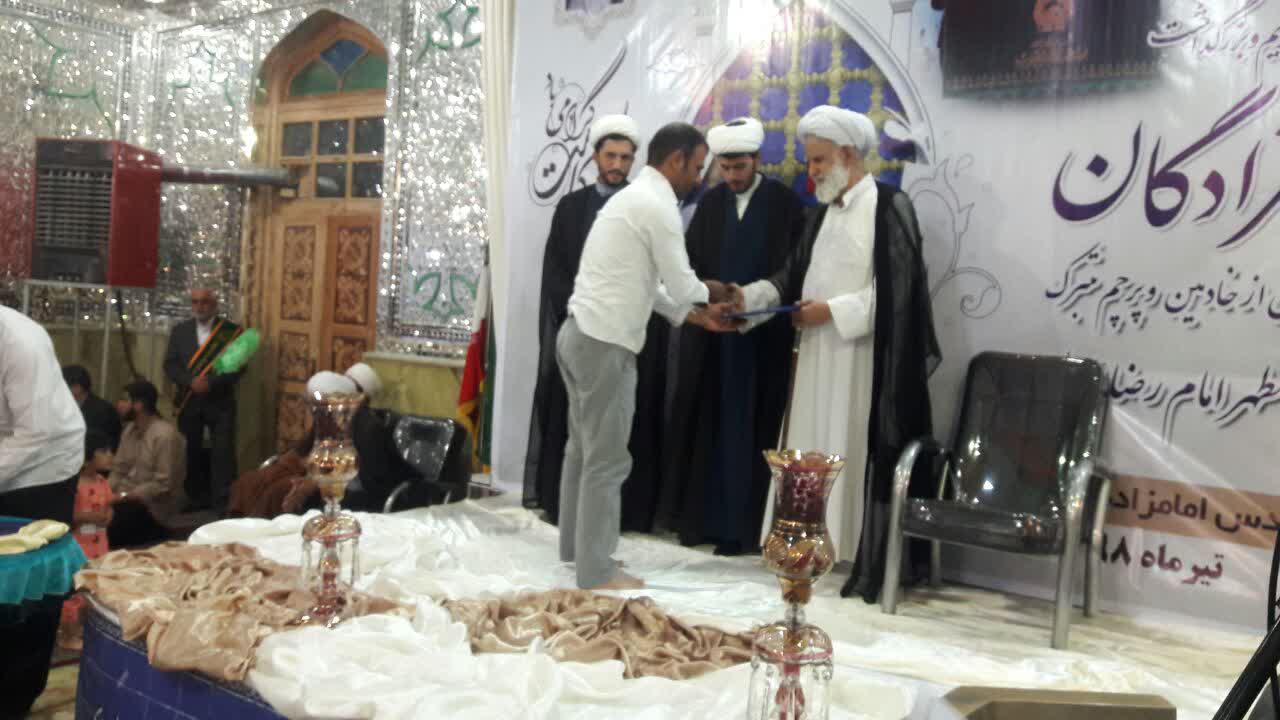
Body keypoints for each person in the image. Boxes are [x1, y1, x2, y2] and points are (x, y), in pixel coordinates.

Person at [732, 105, 940, 603]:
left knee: (848, 446)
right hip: (815, 357)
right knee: (811, 446)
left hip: (859, 361)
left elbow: (900, 294)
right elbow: (790, 278)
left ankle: (848, 550)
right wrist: (747, 300)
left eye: (820, 161)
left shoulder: (888, 206)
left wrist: (832, 311)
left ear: (848, 155)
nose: (813, 172)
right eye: (811, 162)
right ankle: (807, 548)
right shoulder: (820, 214)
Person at [557, 122, 737, 590]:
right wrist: (715, 293)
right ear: (676, 160)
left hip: (577, 335)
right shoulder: (658, 206)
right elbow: (681, 283)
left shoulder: (631, 200)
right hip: (604, 343)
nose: (698, 178)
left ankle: (575, 552)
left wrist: (694, 317)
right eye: (697, 167)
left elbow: (648, 288)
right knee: (607, 461)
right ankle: (596, 571)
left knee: (582, 451)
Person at [660, 117, 806, 555]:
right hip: (713, 340)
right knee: (709, 426)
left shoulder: (784, 204)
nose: (732, 176)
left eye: (740, 167)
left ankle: (743, 530)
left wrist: (752, 300)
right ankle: (704, 523)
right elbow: (688, 268)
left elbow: (794, 268)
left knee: (754, 430)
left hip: (762, 343)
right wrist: (710, 302)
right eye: (725, 167)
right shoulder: (710, 205)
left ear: (757, 160)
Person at [524, 114, 671, 532]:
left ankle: (616, 519)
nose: (617, 165)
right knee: (575, 434)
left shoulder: (643, 208)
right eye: (611, 156)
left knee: (615, 434)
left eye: (625, 157)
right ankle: (568, 514)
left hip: (623, 335)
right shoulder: (572, 208)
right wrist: (581, 308)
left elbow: (654, 274)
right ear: (595, 157)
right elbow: (555, 270)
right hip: (582, 331)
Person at [0, 305, 84, 720]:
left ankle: (16, 696)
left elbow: (36, 435)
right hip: (7, 452)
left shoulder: (20, 341)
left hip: (43, 469)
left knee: (28, 587)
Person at [164, 288, 244, 514]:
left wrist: (211, 382)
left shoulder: (230, 332)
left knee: (223, 453)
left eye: (205, 302)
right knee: (191, 451)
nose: (199, 307)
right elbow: (170, 365)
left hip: (220, 401)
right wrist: (190, 381)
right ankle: (194, 497)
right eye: (195, 302)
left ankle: (223, 502)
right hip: (189, 400)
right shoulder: (180, 331)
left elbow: (238, 366)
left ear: (215, 305)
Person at [108, 380, 186, 547]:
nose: (118, 404)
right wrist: (104, 493)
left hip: (153, 509)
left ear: (139, 405)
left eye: (124, 400)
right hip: (125, 500)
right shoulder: (129, 429)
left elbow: (163, 484)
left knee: (109, 522)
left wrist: (123, 496)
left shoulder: (164, 435)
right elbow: (118, 469)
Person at [58, 429, 114, 651]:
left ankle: (84, 627)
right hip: (78, 545)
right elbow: (67, 516)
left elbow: (109, 506)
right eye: (104, 451)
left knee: (95, 588)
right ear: (87, 455)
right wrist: (88, 517)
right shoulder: (74, 485)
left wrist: (108, 516)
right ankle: (68, 633)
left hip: (100, 542)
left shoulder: (102, 482)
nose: (110, 455)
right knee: (76, 590)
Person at [63, 364, 122, 451]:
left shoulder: (103, 410)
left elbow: (103, 443)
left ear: (77, 387)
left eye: (64, 386)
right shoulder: (67, 407)